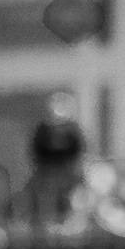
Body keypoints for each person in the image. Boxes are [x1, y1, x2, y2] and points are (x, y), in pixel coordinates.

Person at [28, 91, 85, 229]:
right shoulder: (43, 129)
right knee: (47, 199)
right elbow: (37, 150)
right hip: (47, 173)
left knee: (70, 199)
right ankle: (48, 225)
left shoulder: (73, 129)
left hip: (67, 172)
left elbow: (78, 150)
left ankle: (68, 224)